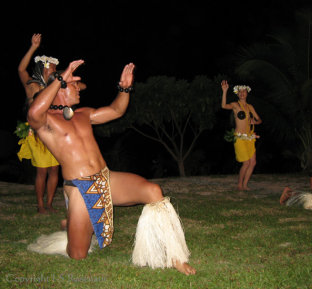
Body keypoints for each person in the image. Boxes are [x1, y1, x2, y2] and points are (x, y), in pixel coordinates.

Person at [26, 60, 196, 275]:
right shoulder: (46, 122)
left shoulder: (83, 114)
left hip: (106, 178)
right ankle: (70, 224)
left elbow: (116, 110)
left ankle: (174, 258)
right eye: (74, 85)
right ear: (59, 88)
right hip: (79, 188)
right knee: (78, 254)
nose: (79, 89)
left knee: (154, 192)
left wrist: (124, 88)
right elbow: (33, 112)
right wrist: (62, 76)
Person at [17, 33, 60, 214]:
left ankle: (49, 204)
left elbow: (81, 86)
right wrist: (33, 47)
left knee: (54, 170)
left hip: (54, 133)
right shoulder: (32, 87)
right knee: (42, 171)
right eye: (51, 68)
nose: (54, 70)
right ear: (43, 69)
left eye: (56, 68)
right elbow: (21, 70)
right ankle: (40, 205)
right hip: (36, 134)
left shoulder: (56, 86)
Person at [221, 80, 262, 191]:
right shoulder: (235, 105)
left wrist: (255, 122)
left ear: (247, 93)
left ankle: (245, 185)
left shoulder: (250, 107)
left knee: (253, 162)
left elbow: (259, 120)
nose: (242, 93)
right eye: (240, 92)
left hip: (249, 138)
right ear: (237, 94)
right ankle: (240, 185)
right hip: (239, 138)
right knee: (246, 162)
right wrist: (224, 91)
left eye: (244, 91)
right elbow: (224, 105)